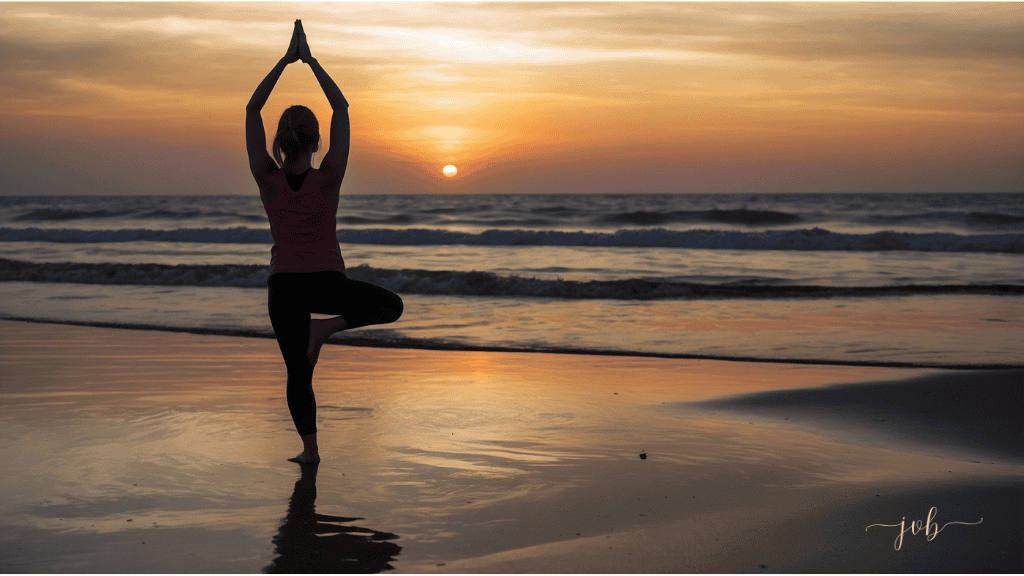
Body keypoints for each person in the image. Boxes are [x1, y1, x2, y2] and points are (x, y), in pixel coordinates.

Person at [246, 20, 403, 465]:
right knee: (391, 306)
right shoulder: (330, 178)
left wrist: (284, 60)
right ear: (316, 141)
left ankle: (310, 451)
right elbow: (343, 108)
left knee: (298, 371)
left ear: (280, 140)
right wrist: (310, 61)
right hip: (327, 284)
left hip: (285, 288)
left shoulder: (267, 180)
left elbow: (251, 112)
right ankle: (325, 328)